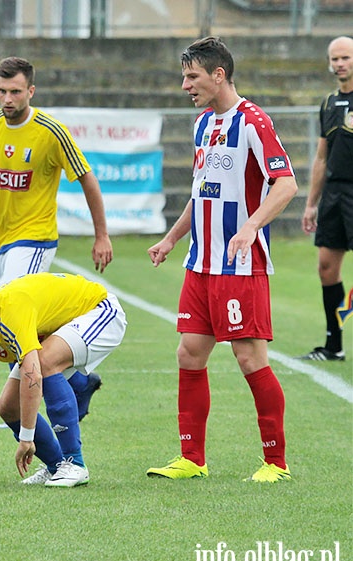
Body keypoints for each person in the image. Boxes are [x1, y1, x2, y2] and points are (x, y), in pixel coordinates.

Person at [145, 37, 298, 483]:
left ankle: (276, 463)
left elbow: (285, 184)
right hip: (200, 262)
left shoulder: (253, 121)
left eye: (192, 76)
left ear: (218, 75)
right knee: (189, 354)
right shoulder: (201, 126)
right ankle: (192, 459)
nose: (184, 85)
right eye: (184, 76)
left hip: (239, 264)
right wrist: (172, 239)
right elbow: (201, 193)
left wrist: (251, 226)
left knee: (250, 358)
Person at [0, 56, 112, 423]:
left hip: (35, 239)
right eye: (1, 91)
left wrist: (101, 235)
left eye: (14, 91)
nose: (7, 99)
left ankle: (21, 405)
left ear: (30, 91)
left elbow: (88, 179)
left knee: (9, 319)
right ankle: (75, 382)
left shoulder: (50, 131)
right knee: (13, 323)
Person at [0, 268, 127, 488]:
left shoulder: (6, 311)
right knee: (8, 407)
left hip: (99, 310)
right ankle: (57, 466)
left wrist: (27, 438)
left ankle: (75, 463)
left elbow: (33, 374)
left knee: (44, 363)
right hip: (62, 325)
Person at [298, 36, 353, 362]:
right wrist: (311, 202)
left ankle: (345, 316)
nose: (340, 64)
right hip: (333, 195)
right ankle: (334, 345)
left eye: (345, 57)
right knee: (326, 268)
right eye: (335, 59)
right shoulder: (328, 103)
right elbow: (321, 157)